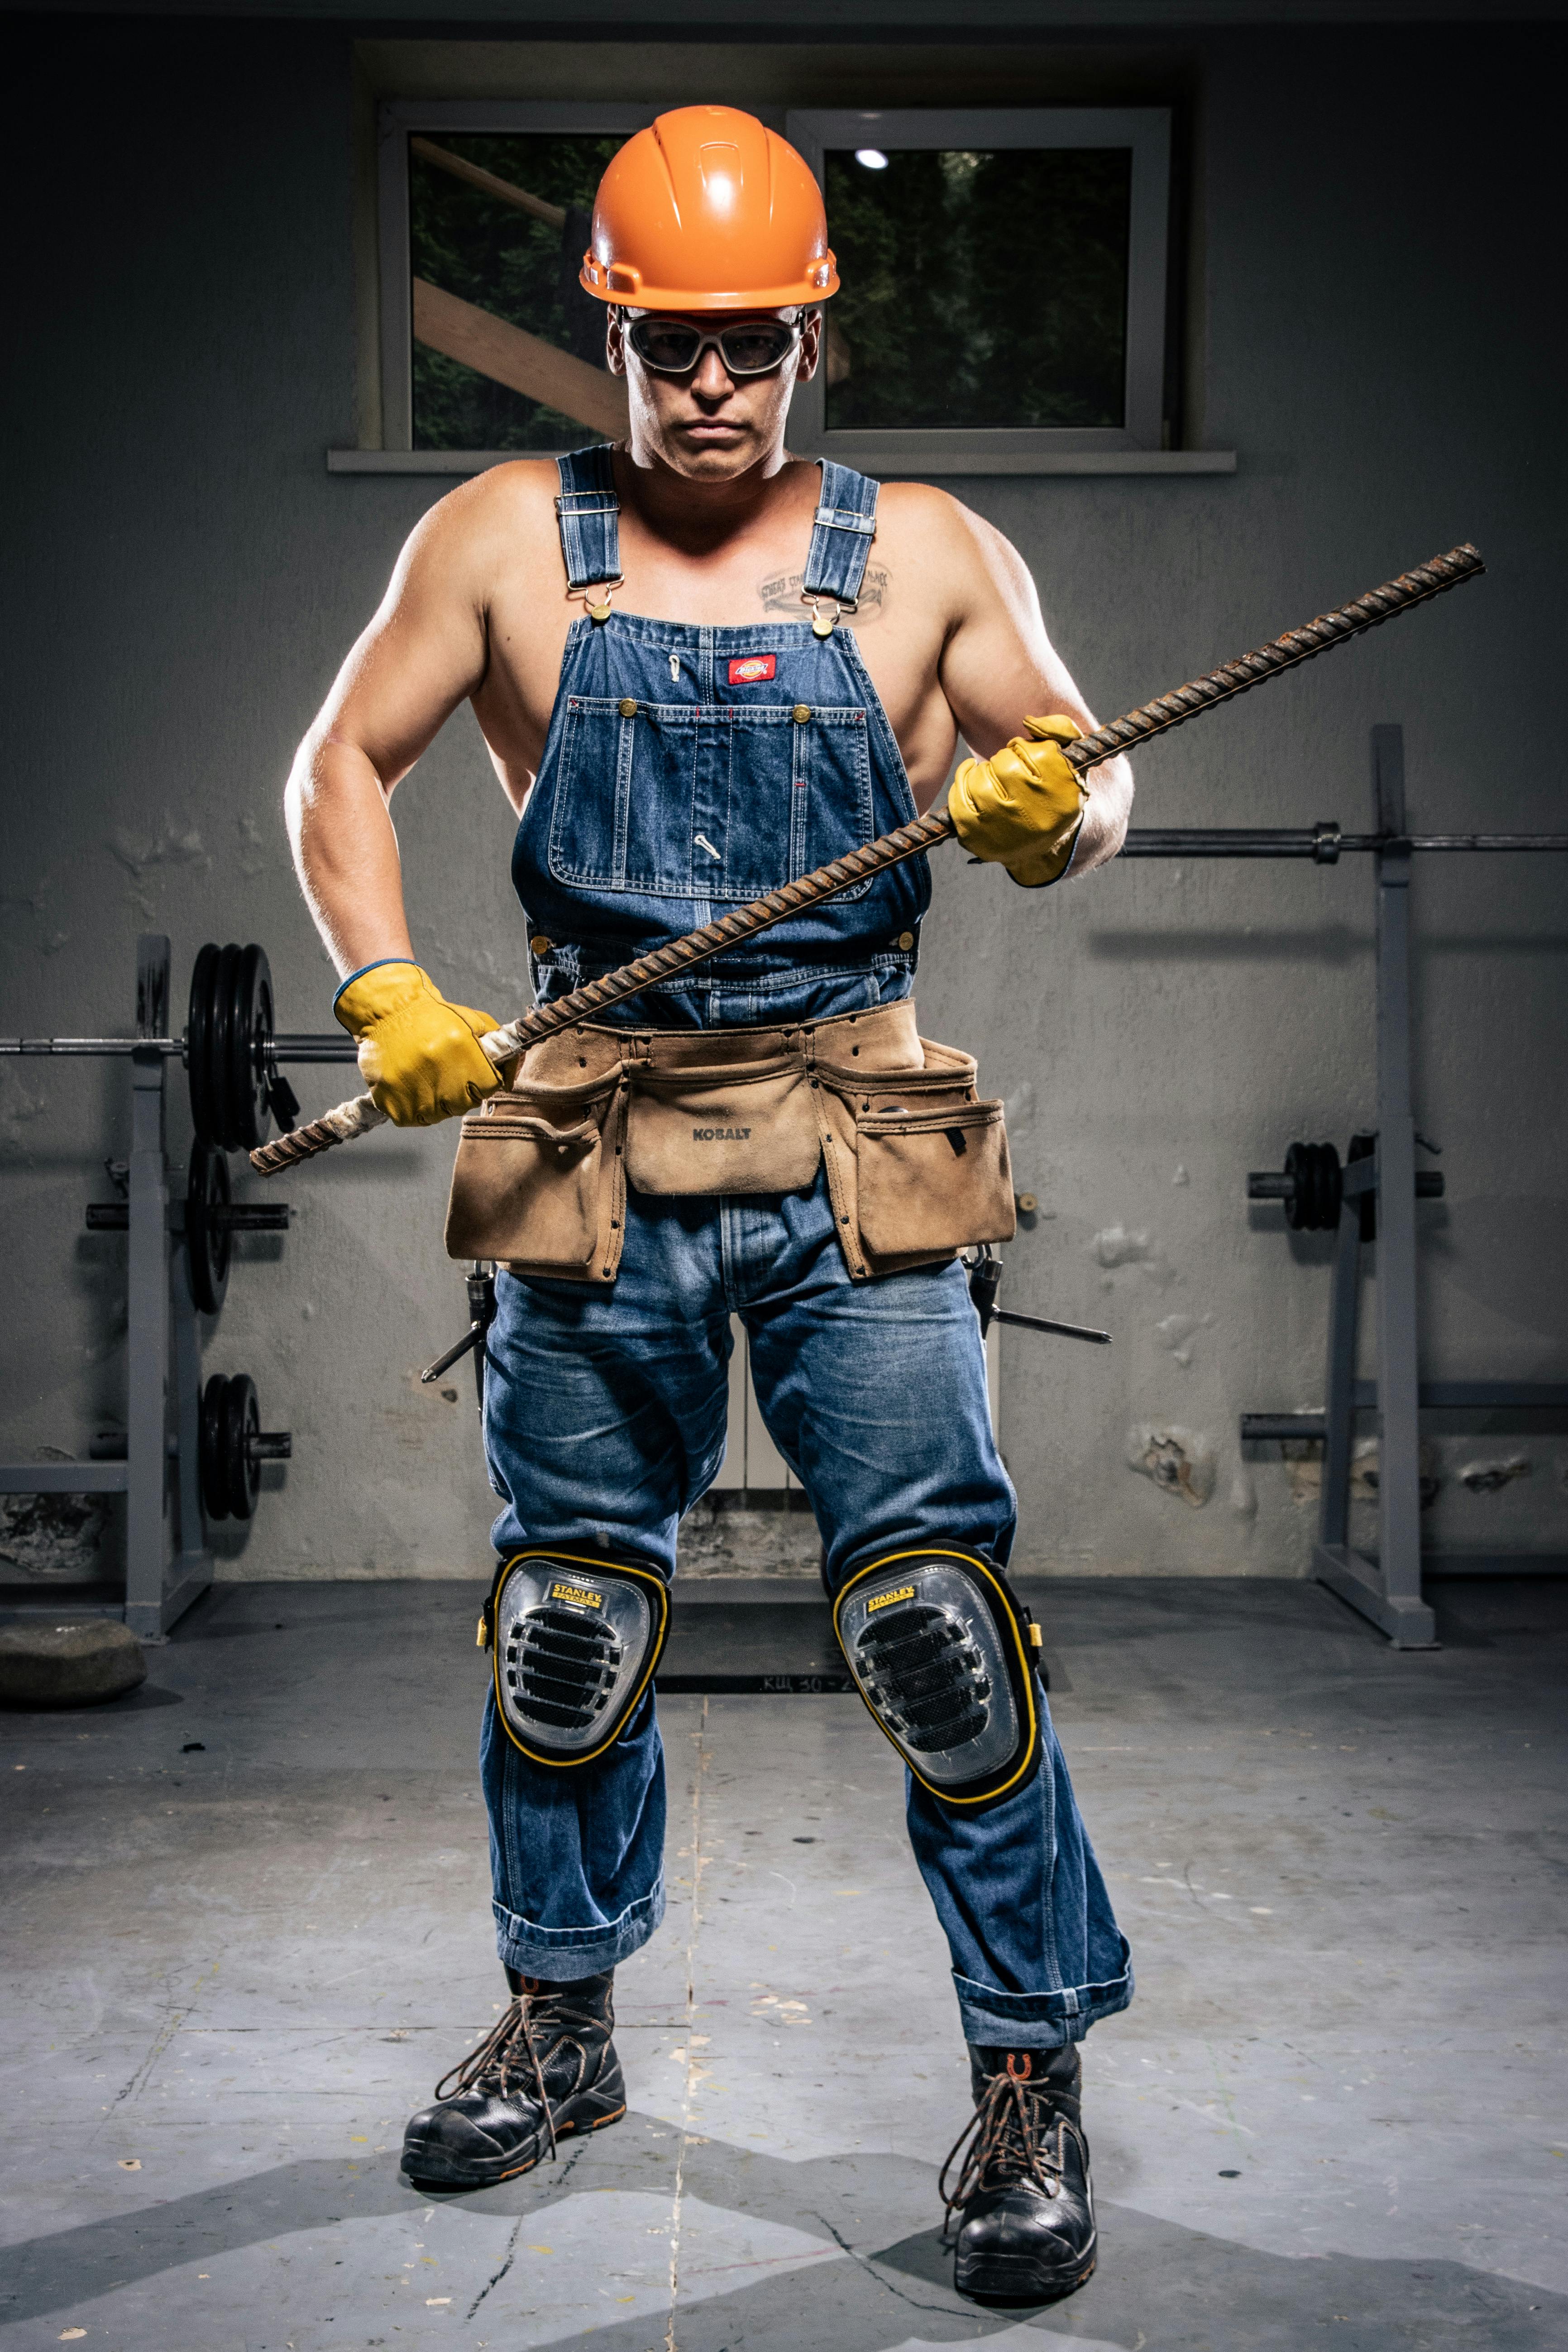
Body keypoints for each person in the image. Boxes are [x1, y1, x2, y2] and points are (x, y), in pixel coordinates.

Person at [284, 105, 1133, 2306]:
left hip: (854, 1124)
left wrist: (1053, 809)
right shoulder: (498, 536)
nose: (710, 389)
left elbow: (1080, 757)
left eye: (750, 344)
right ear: (607, 334)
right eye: (668, 345)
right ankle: (563, 2028)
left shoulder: (920, 548)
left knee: (934, 1634)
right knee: (568, 1625)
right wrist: (381, 982)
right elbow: (335, 770)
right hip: (596, 1129)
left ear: (807, 338)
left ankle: (1028, 2080)